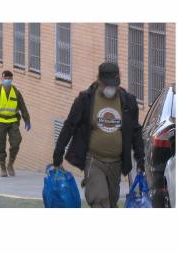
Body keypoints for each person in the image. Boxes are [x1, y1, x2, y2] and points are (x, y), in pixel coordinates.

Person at [53, 62, 145, 208]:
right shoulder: (86, 100)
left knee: (111, 201)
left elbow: (135, 131)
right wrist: (58, 155)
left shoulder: (128, 102)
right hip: (94, 160)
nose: (110, 88)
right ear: (99, 80)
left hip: (117, 163)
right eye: (107, 84)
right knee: (100, 199)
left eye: (113, 84)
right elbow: (69, 125)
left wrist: (141, 160)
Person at [0, 70, 31, 177]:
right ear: (2, 79)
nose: (7, 80)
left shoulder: (16, 92)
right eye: (5, 78)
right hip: (0, 122)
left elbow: (22, 107)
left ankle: (10, 164)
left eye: (9, 79)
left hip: (13, 122)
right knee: (1, 146)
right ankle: (2, 167)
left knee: (16, 142)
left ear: (12, 79)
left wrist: (27, 120)